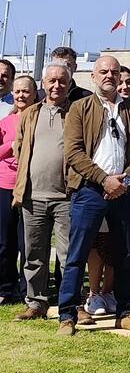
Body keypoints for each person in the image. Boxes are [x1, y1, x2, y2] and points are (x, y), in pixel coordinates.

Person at [57, 55, 130, 335]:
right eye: (104, 72)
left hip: (124, 190)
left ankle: (125, 312)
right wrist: (103, 179)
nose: (109, 76)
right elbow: (73, 151)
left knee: (125, 254)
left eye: (114, 72)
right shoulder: (79, 108)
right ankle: (67, 314)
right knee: (77, 254)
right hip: (89, 190)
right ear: (94, 76)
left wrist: (127, 177)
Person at [11, 64, 72, 319]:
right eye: (51, 81)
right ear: (43, 84)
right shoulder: (31, 113)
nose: (56, 85)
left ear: (69, 84)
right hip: (32, 195)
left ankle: (72, 305)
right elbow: (20, 147)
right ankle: (36, 303)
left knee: (68, 255)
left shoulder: (76, 112)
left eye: (61, 81)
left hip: (66, 197)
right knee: (34, 254)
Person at [0, 75, 35, 303]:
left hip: (31, 187)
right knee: (4, 241)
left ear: (34, 94)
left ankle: (27, 290)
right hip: (4, 184)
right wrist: (10, 148)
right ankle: (5, 287)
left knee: (28, 242)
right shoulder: (5, 122)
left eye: (26, 91)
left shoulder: (39, 119)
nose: (21, 95)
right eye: (18, 91)